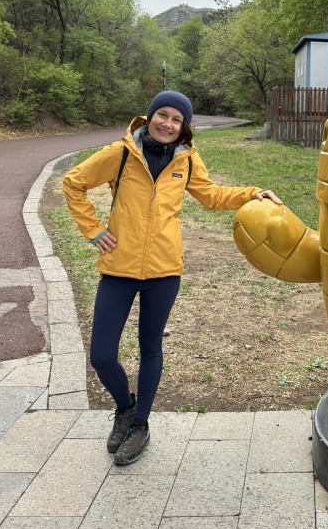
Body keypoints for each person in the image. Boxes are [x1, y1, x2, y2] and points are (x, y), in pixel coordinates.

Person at [63, 90, 281, 465]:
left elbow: (211, 195)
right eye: (162, 115)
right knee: (101, 355)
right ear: (149, 118)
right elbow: (73, 183)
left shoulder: (187, 161)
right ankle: (124, 408)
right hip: (118, 268)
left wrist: (251, 194)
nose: (167, 123)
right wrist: (94, 230)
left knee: (150, 348)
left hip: (165, 270)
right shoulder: (120, 154)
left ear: (183, 128)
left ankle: (140, 425)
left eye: (176, 119)